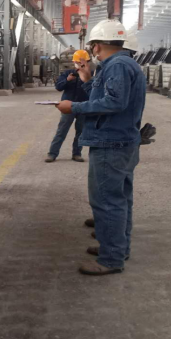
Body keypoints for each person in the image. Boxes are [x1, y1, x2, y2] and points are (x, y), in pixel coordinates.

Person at [57, 19, 147, 277]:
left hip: (111, 142)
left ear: (96, 46)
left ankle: (111, 258)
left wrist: (74, 107)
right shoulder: (123, 64)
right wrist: (87, 80)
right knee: (120, 199)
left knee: (107, 201)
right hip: (121, 141)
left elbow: (114, 103)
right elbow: (105, 98)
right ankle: (117, 248)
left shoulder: (117, 66)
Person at [45, 49, 90, 164]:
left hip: (83, 106)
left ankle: (77, 154)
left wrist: (87, 79)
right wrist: (67, 80)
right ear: (74, 62)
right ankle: (52, 153)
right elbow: (58, 87)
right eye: (77, 63)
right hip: (68, 107)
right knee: (62, 131)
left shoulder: (90, 75)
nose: (79, 65)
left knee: (80, 132)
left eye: (82, 63)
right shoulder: (67, 73)